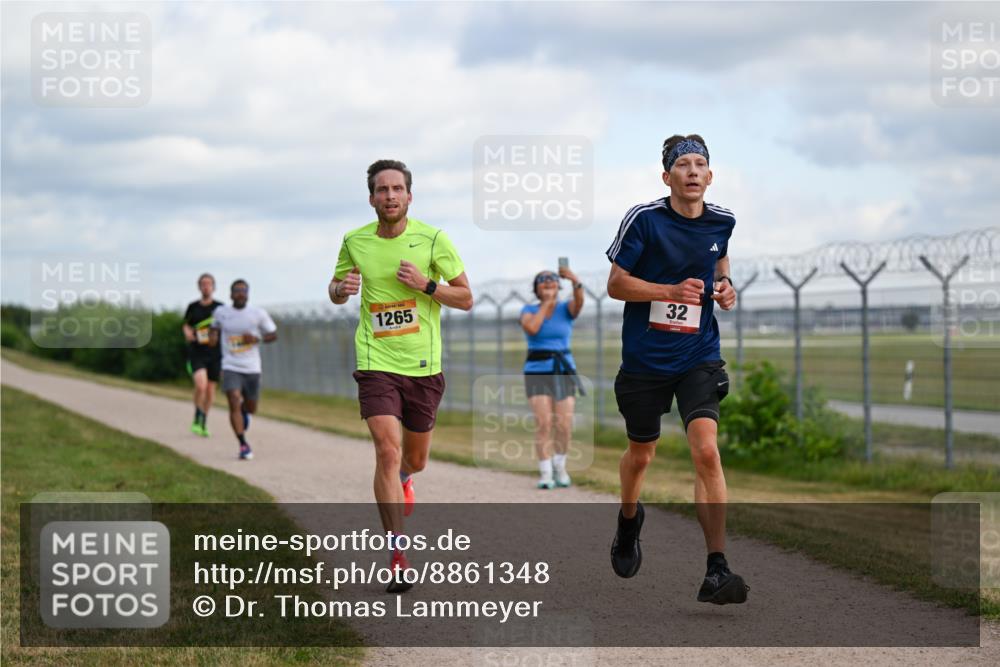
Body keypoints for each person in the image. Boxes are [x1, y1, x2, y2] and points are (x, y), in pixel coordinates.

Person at [605, 134, 748, 604]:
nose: (691, 171)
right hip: (646, 361)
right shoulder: (644, 220)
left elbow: (720, 266)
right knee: (641, 455)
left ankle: (716, 568)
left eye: (699, 164)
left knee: (706, 451)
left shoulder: (722, 221)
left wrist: (725, 288)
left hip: (698, 356)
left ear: (710, 176)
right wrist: (667, 292)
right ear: (667, 176)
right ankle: (629, 519)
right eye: (682, 164)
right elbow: (616, 285)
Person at [329, 159, 472, 593]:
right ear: (371, 197)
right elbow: (335, 290)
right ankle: (396, 555)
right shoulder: (354, 241)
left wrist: (427, 286)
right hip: (376, 362)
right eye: (381, 189)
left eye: (397, 189)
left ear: (409, 196)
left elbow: (465, 298)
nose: (389, 196)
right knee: (386, 453)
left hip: (424, 368)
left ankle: (407, 480)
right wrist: (341, 290)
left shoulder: (433, 239)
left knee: (413, 460)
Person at [520, 266, 585, 489]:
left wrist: (574, 279)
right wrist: (546, 304)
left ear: (559, 285)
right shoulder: (528, 310)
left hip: (563, 370)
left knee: (564, 424)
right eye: (542, 279)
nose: (548, 281)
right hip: (536, 371)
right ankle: (545, 473)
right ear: (536, 288)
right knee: (544, 423)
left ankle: (560, 467)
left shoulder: (566, 309)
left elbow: (579, 304)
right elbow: (533, 329)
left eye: (552, 279)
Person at [209, 279, 278, 461]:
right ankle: (243, 444)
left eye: (243, 290)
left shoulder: (257, 313)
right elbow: (213, 328)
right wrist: (212, 337)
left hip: (252, 367)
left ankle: (244, 411)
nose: (240, 293)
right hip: (230, 365)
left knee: (251, 407)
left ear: (248, 294)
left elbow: (272, 335)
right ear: (231, 294)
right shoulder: (221, 312)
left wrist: (256, 339)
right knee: (232, 399)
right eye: (237, 290)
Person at [182, 273, 222, 437]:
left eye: (209, 284)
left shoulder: (220, 308)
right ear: (199, 287)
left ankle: (204, 420)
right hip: (197, 352)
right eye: (203, 284)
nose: (206, 287)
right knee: (201, 386)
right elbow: (185, 325)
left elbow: (226, 327)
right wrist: (188, 333)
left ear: (213, 287)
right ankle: (197, 414)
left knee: (211, 390)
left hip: (215, 353)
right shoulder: (193, 307)